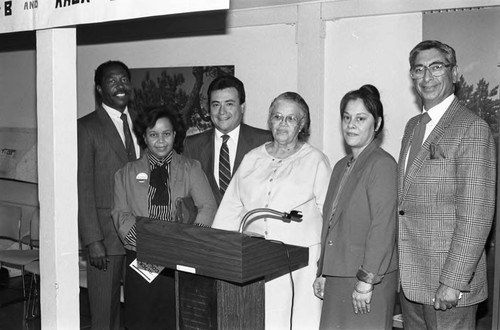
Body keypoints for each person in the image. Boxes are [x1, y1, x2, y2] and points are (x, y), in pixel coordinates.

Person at [398, 40, 496, 329]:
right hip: (412, 283)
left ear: (455, 73)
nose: (427, 77)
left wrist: (453, 282)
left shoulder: (472, 128)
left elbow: (476, 215)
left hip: (448, 287)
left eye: (436, 67)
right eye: (419, 69)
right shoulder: (412, 127)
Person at [212, 92, 332, 330]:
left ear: (302, 125)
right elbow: (231, 209)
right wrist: (218, 253)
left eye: (291, 118)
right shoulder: (252, 158)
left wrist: (326, 268)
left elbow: (330, 216)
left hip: (301, 265)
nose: (283, 124)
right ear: (270, 121)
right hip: (257, 260)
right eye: (277, 117)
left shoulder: (316, 160)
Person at [111, 106, 217, 329]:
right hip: (141, 259)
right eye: (153, 134)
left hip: (181, 260)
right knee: (141, 321)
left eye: (166, 134)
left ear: (175, 136)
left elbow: (207, 207)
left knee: (178, 320)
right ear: (144, 137)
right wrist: (150, 245)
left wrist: (187, 242)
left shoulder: (191, 168)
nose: (160, 141)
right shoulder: (126, 173)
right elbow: (121, 214)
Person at [313, 85, 398, 330]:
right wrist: (323, 271)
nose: (351, 124)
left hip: (366, 279)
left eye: (361, 119)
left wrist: (366, 280)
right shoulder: (341, 165)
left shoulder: (382, 165)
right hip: (339, 275)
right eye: (347, 117)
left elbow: (383, 227)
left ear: (377, 123)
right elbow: (331, 223)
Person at [78, 60, 140, 330]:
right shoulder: (86, 127)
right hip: (105, 238)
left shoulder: (142, 123)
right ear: (99, 89)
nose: (120, 86)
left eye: (124, 80)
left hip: (141, 236)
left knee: (139, 311)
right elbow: (83, 188)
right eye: (112, 81)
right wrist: (93, 240)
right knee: (104, 315)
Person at [183, 75, 272, 205]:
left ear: (242, 107)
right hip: (207, 225)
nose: (222, 112)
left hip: (249, 223)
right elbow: (187, 197)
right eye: (216, 105)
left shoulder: (265, 141)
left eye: (229, 104)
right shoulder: (192, 145)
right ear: (209, 108)